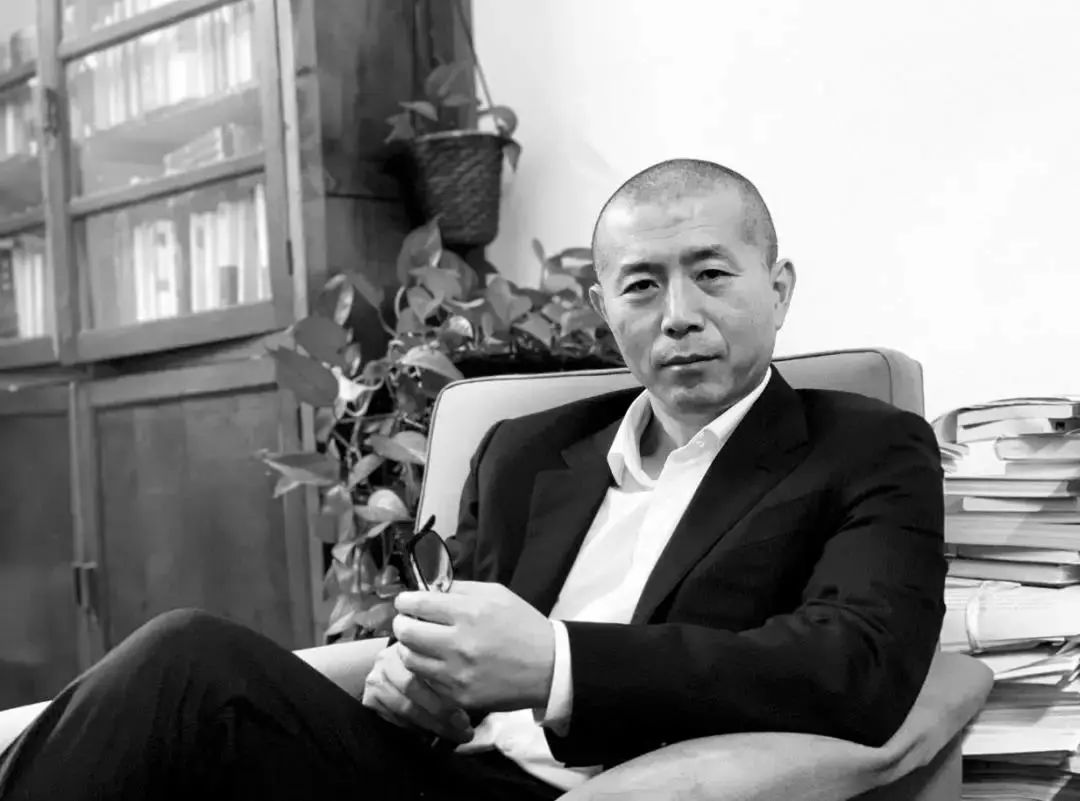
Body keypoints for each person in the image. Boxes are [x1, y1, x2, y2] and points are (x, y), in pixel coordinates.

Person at [0, 159, 946, 800]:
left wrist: (558, 664)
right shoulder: (527, 451)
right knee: (186, 668)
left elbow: (855, 664)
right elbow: (447, 634)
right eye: (643, 285)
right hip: (435, 772)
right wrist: (414, 685)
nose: (679, 314)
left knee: (181, 673)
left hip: (608, 784)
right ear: (605, 306)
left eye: (712, 274)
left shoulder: (866, 446)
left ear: (778, 288)